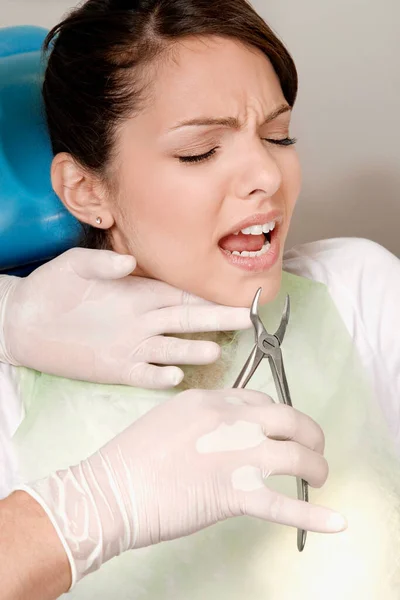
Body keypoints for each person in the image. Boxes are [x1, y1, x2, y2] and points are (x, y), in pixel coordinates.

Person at [1, 0, 400, 599]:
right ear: (85, 190)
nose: (266, 173)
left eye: (277, 134)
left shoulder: (358, 290)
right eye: (200, 151)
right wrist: (94, 506)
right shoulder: (13, 389)